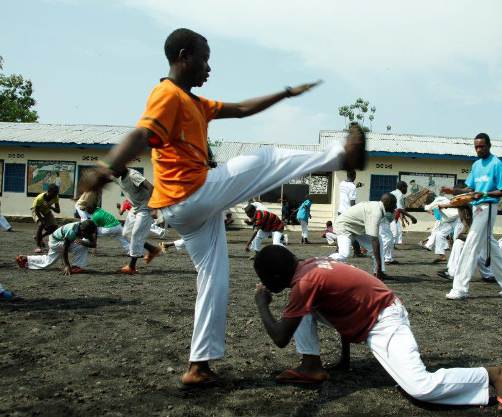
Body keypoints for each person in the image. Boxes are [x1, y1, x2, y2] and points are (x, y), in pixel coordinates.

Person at [80, 27, 366, 387]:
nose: (208, 68)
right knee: (264, 160)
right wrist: (108, 168)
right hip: (191, 193)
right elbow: (141, 134)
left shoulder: (196, 104)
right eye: (204, 59)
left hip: (186, 211)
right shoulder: (166, 94)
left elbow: (243, 109)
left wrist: (286, 92)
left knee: (214, 281)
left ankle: (199, 366)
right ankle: (342, 156)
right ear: (184, 56)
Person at [252, 245, 502, 412]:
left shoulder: (305, 283)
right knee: (301, 308)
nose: (264, 284)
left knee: (420, 387)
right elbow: (340, 304)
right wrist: (345, 359)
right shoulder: (308, 266)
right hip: (375, 309)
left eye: (265, 279)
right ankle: (311, 365)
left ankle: (494, 375)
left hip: (385, 319)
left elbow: (280, 337)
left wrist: (261, 303)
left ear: (276, 276)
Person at [441, 133, 502, 300]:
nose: (478, 149)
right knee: (489, 246)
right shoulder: (476, 165)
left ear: (489, 146)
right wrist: (453, 191)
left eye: (482, 146)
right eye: (476, 147)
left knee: (470, 243)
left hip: (489, 207)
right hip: (477, 207)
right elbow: (469, 189)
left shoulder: (497, 164)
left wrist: (485, 193)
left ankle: (460, 288)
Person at [329, 194, 396, 280]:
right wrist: (379, 265)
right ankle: (322, 262)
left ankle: (379, 273)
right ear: (388, 204)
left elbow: (376, 240)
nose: (395, 206)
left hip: (357, 227)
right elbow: (374, 240)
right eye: (394, 204)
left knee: (380, 243)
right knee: (344, 254)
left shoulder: (379, 206)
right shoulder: (376, 212)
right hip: (344, 226)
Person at [114, 168, 161, 274]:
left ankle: (131, 266)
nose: (112, 173)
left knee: (136, 235)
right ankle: (152, 249)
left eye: (113, 170)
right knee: (126, 234)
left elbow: (151, 187)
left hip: (145, 207)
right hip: (134, 208)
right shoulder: (118, 176)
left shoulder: (133, 175)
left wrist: (154, 208)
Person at [16, 220, 97, 274]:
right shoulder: (72, 231)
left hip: (59, 240)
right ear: (83, 231)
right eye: (88, 234)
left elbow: (94, 244)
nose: (89, 235)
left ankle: (26, 259)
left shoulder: (85, 228)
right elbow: (65, 249)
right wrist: (67, 265)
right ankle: (76, 266)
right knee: (48, 262)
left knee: (48, 261)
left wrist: (82, 242)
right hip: (55, 242)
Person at [338, 170, 365, 257]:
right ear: (354, 176)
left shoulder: (341, 183)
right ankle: (357, 252)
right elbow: (352, 202)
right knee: (354, 232)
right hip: (348, 212)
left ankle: (339, 249)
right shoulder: (352, 186)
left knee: (342, 231)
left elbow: (347, 191)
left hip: (340, 211)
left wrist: (356, 186)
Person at [424, 195, 458, 263]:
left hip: (458, 219)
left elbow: (427, 208)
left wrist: (424, 205)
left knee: (457, 239)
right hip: (449, 221)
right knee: (439, 234)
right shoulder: (442, 199)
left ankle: (458, 258)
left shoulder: (437, 201)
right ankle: (442, 256)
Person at [31, 184, 60, 252]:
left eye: (57, 193)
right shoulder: (40, 199)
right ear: (49, 192)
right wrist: (42, 220)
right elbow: (36, 210)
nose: (56, 195)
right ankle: (38, 246)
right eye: (54, 193)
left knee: (54, 227)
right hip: (36, 210)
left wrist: (50, 206)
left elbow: (58, 211)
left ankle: (38, 237)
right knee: (41, 224)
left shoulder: (55, 197)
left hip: (46, 210)